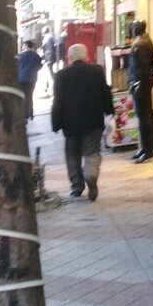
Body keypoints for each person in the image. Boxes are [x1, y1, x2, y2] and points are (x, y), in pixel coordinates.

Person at [51, 43, 113, 201]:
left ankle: (76, 186)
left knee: (72, 154)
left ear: (70, 57)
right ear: (86, 56)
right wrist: (109, 111)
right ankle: (91, 174)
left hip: (70, 122)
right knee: (92, 151)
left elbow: (58, 101)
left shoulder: (61, 75)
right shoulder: (97, 71)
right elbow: (105, 93)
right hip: (93, 119)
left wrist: (55, 122)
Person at [128, 20, 153, 162]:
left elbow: (142, 67)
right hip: (143, 82)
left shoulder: (140, 44)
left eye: (134, 27)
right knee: (148, 113)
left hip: (141, 83)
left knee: (143, 116)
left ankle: (147, 148)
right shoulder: (144, 41)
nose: (132, 29)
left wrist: (138, 84)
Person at [17, 39, 43, 121]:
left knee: (23, 96)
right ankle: (31, 112)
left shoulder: (20, 55)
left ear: (26, 46)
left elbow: (16, 65)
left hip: (22, 78)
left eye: (23, 45)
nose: (22, 47)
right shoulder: (36, 55)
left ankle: (25, 114)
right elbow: (40, 66)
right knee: (30, 95)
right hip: (32, 78)